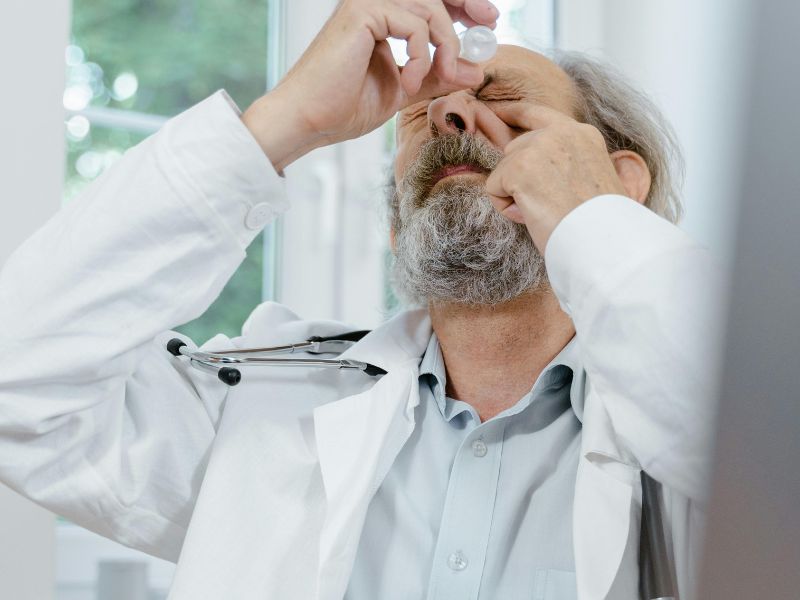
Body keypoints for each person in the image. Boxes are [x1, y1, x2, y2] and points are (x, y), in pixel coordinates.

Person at [0, 0, 721, 598]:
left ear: (620, 184)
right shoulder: (261, 417)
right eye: (421, 118)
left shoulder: (693, 424)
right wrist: (283, 124)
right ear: (394, 224)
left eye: (503, 101)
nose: (452, 118)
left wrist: (596, 222)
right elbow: (18, 381)